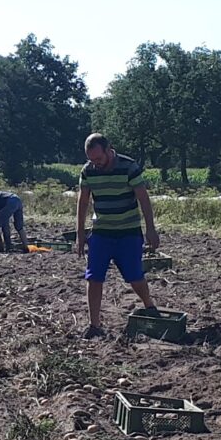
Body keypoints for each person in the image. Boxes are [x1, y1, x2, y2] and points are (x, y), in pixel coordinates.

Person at [75, 133, 161, 337]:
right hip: (101, 232)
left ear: (108, 150)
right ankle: (94, 325)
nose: (95, 163)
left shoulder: (129, 167)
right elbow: (83, 201)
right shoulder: (88, 171)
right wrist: (80, 233)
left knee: (134, 276)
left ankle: (149, 306)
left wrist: (150, 228)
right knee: (94, 277)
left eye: (98, 158)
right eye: (91, 159)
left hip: (128, 231)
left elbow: (143, 199)